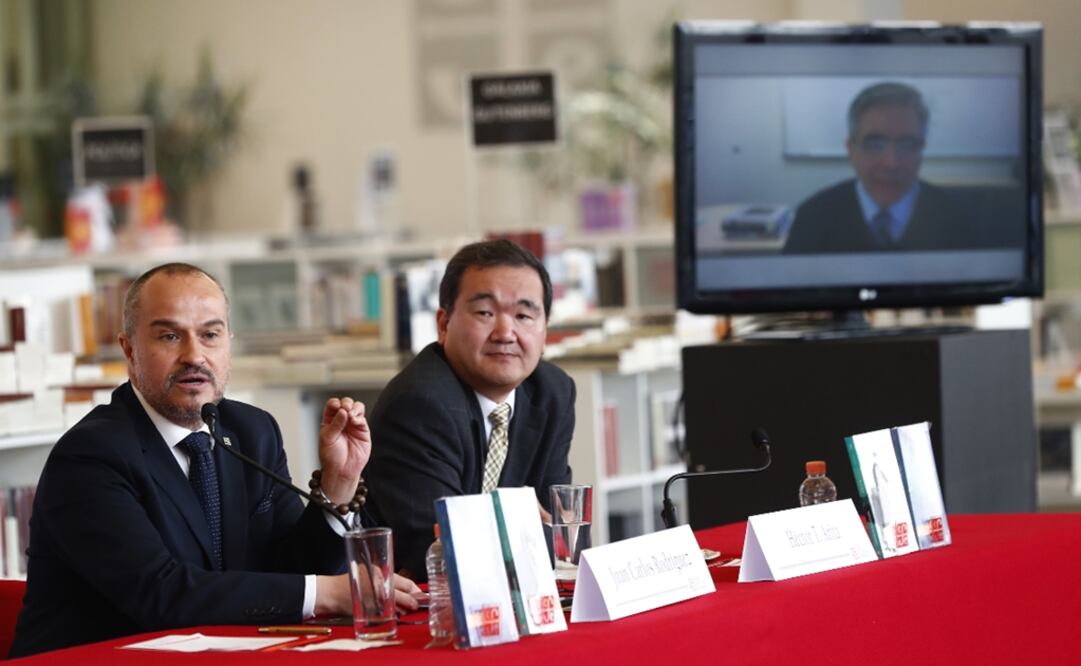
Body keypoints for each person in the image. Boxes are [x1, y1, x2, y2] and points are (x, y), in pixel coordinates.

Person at [10, 263, 419, 657]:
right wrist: (329, 593)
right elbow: (161, 595)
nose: (194, 355)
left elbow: (292, 570)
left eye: (210, 335)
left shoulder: (252, 431)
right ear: (130, 350)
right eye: (170, 336)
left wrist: (339, 481)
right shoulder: (90, 455)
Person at [365, 240, 575, 580]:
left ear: (545, 332)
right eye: (485, 313)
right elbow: (438, 551)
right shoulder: (419, 403)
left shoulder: (553, 392)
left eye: (523, 316)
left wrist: (540, 534)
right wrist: (526, 527)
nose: (505, 333)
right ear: (444, 324)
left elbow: (561, 535)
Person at [784, 82, 976, 254]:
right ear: (851, 149)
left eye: (906, 144)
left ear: (921, 150)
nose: (891, 163)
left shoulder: (957, 219)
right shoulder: (812, 217)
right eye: (874, 144)